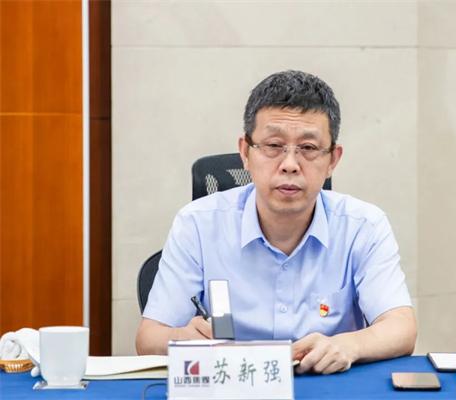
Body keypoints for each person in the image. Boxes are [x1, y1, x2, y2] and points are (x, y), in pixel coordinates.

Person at [136, 70, 416, 374]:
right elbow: (148, 338)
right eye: (273, 146)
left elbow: (401, 327)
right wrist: (182, 338)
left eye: (308, 148)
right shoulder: (197, 225)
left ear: (333, 160)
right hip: (231, 386)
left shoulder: (363, 226)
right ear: (245, 152)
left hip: (327, 385)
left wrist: (350, 345)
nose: (290, 165)